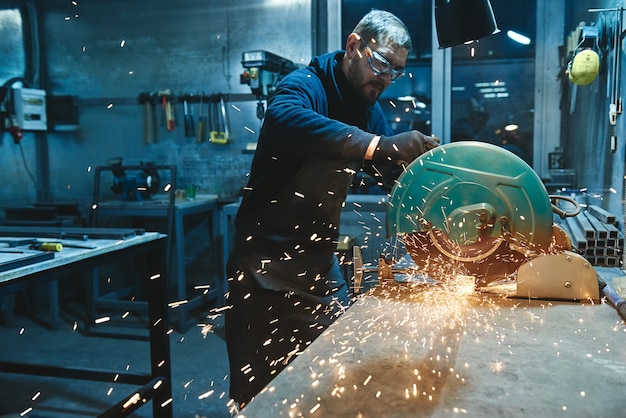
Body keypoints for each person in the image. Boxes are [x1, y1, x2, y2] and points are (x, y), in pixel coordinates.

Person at [225, 9, 439, 407]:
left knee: (326, 375)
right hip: (266, 267)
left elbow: (384, 168)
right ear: (354, 45)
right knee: (262, 395)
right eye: (381, 63)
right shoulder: (305, 85)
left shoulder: (367, 106)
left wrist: (428, 187)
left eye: (396, 71)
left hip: (320, 264)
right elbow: (284, 119)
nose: (386, 78)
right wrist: (380, 145)